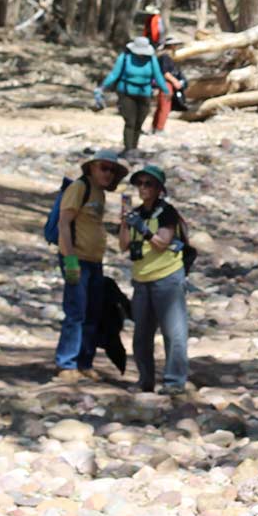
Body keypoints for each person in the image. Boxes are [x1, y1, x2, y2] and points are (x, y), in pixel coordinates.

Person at [54, 148, 130, 381]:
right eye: (103, 168)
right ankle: (66, 364)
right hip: (77, 259)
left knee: (92, 312)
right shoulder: (80, 188)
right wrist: (69, 260)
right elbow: (64, 223)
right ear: (92, 168)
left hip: (95, 262)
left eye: (111, 170)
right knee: (75, 311)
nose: (107, 173)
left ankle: (84, 362)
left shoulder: (99, 193)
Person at [118, 162, 188, 394]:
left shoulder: (167, 212)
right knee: (141, 335)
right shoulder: (137, 213)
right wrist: (125, 223)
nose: (143, 188)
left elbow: (161, 244)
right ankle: (145, 380)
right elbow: (123, 246)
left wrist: (144, 229)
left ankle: (174, 382)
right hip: (142, 279)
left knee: (173, 332)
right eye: (140, 183)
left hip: (166, 277)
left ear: (159, 189)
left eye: (149, 184)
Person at [94, 37, 165, 151]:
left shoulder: (151, 59)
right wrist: (102, 87)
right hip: (126, 93)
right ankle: (128, 148)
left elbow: (158, 76)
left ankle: (134, 147)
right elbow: (114, 74)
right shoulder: (125, 58)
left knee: (139, 122)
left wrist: (165, 90)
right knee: (130, 121)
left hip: (144, 94)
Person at [152, 36, 187, 133]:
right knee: (165, 106)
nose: (177, 47)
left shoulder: (165, 56)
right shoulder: (165, 57)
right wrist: (175, 81)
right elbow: (165, 72)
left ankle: (156, 127)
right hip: (166, 83)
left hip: (165, 82)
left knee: (162, 106)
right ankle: (159, 128)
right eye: (175, 45)